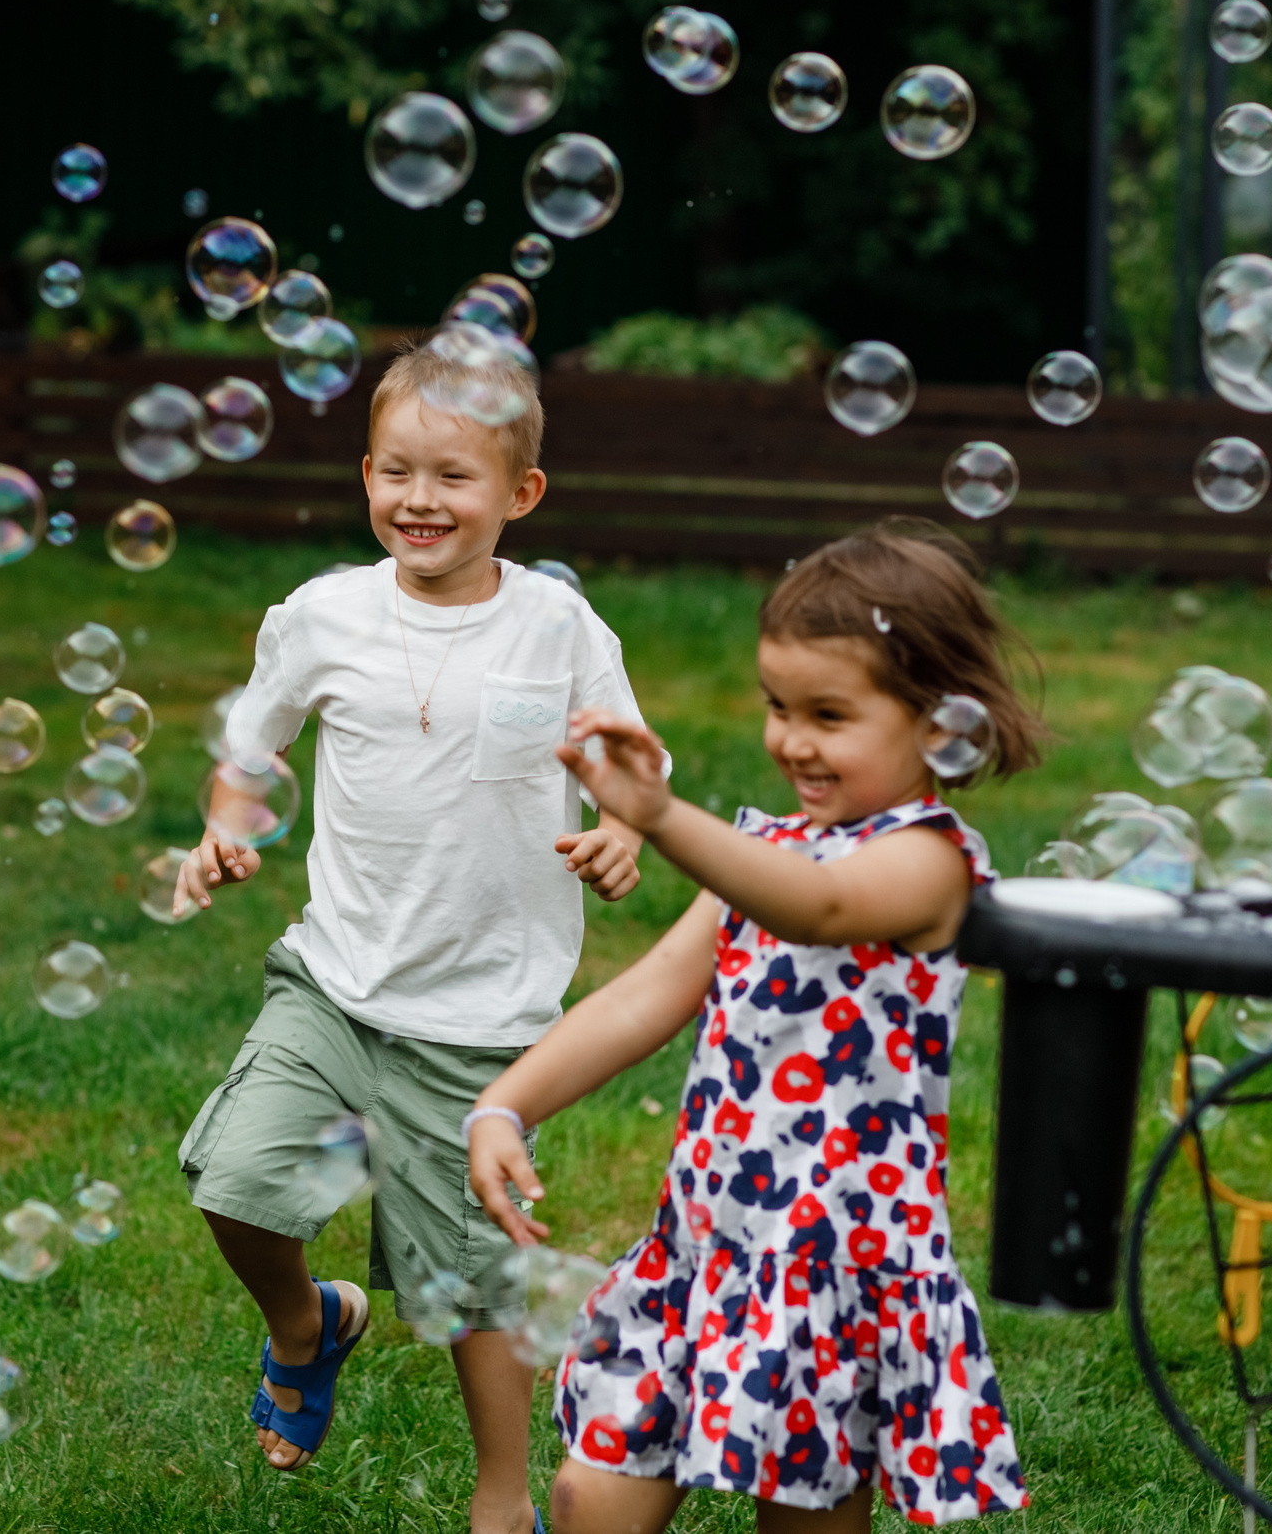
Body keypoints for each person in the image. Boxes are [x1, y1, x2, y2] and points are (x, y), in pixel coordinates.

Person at [465, 522, 1043, 1534]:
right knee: (586, 1494)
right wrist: (504, 1103)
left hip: (832, 1263)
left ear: (942, 722)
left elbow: (814, 909)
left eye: (828, 713)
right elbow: (643, 997)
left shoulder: (928, 861)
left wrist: (659, 815)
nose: (791, 740)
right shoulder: (760, 847)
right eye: (778, 707)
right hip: (708, 1242)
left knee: (805, 1516)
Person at [172, 338, 647, 1534]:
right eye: (394, 473)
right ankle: (307, 1320)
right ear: (365, 474)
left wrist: (622, 830)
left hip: (481, 1021)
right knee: (238, 1184)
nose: (418, 501)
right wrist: (227, 829)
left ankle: (503, 1501)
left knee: (471, 1284)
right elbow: (251, 751)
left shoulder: (558, 628)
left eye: (452, 478)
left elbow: (630, 768)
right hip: (334, 982)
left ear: (519, 495)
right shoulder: (322, 614)